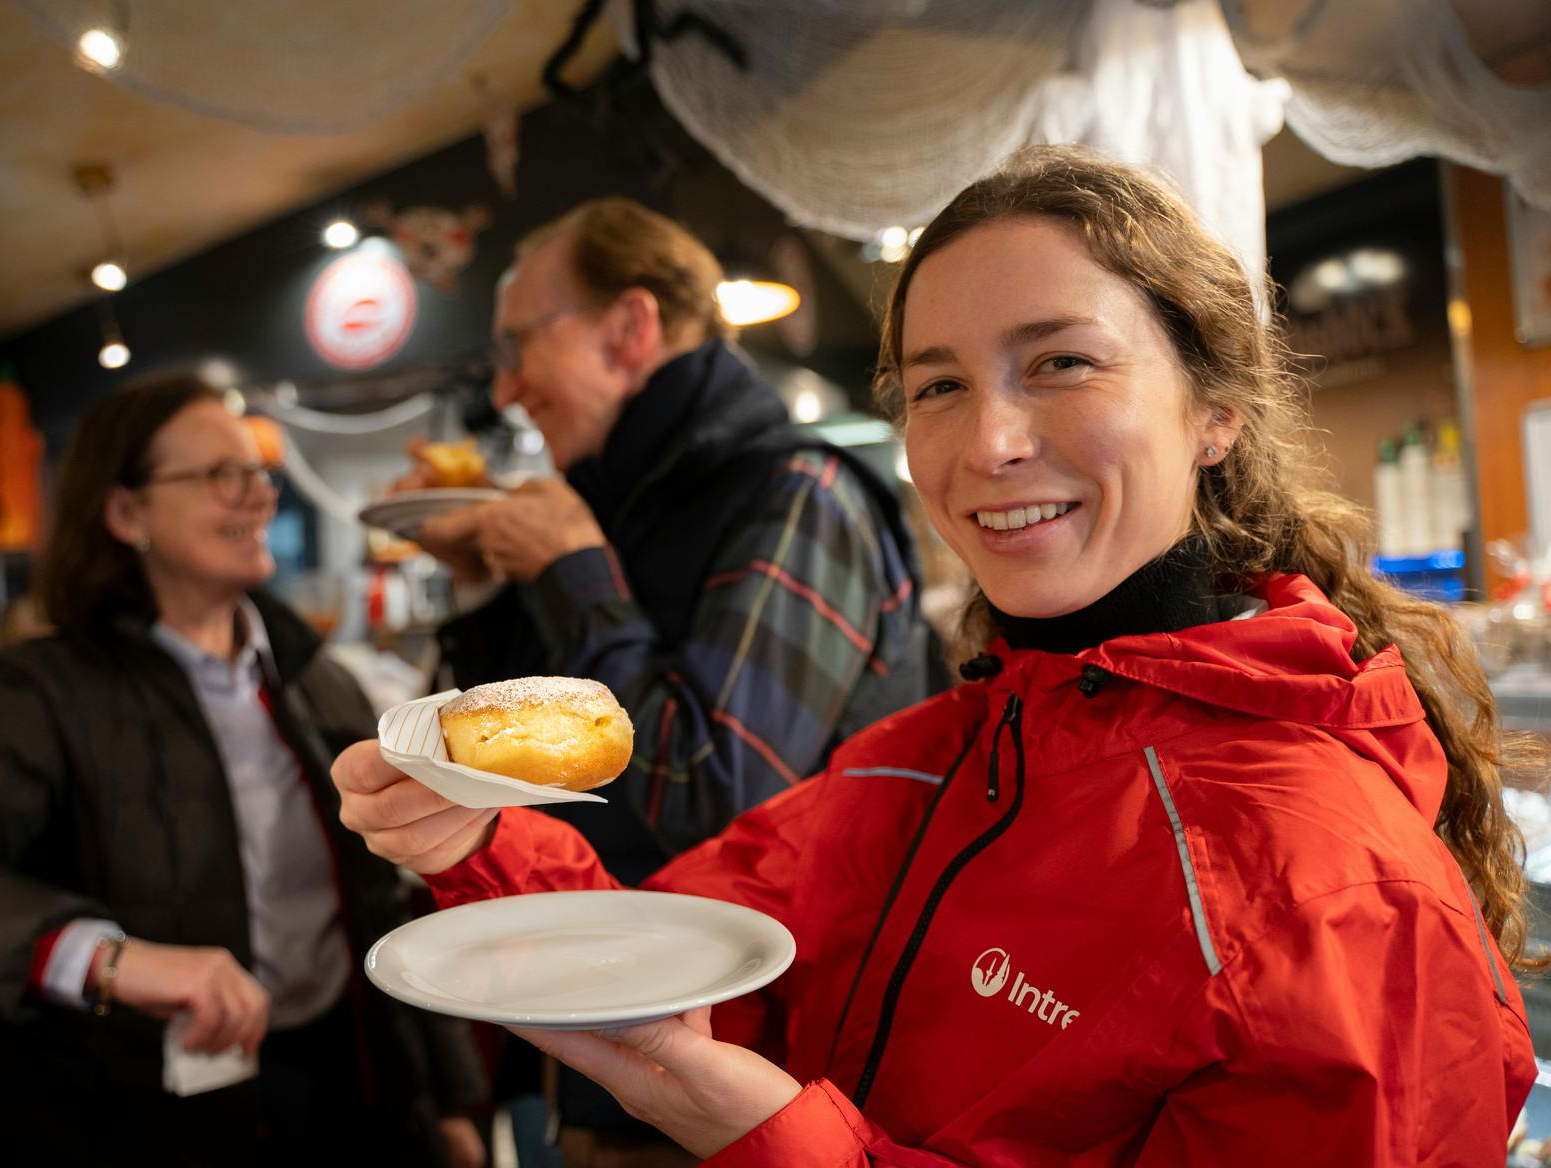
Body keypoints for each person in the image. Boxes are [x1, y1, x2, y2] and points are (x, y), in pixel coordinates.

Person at [331, 146, 1541, 1165]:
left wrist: (797, 1145)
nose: (989, 441)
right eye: (938, 385)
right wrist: (479, 840)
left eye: (1061, 361)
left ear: (1214, 409)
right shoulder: (939, 754)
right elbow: (670, 932)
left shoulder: (1332, 891)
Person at [0, 376, 487, 1168]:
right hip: (142, 1116)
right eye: (218, 476)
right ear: (127, 514)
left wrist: (447, 1101)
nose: (257, 497)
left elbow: (390, 897)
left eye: (259, 475)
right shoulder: (48, 690)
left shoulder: (317, 680)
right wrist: (105, 957)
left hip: (347, 1087)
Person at [398, 197, 937, 1162]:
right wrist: (489, 582)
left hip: (770, 1082)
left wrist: (573, 570)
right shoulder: (620, 502)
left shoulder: (796, 494)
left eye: (522, 343)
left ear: (631, 328)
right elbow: (527, 774)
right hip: (619, 1038)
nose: (510, 388)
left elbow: (712, 787)